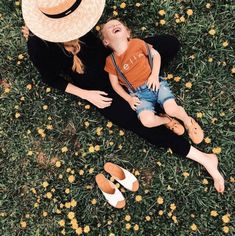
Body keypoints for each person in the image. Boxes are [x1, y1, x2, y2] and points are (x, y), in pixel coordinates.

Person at [21, 0, 224, 193]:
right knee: (138, 123)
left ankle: (154, 97)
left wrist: (140, 61)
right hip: (99, 88)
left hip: (117, 58)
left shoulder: (76, 9)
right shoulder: (38, 46)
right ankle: (202, 156)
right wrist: (87, 95)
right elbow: (51, 79)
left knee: (169, 44)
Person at [101, 19, 204, 144]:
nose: (115, 25)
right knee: (147, 121)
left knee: (171, 108)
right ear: (106, 41)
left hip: (155, 84)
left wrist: (154, 75)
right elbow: (115, 85)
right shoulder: (111, 61)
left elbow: (156, 55)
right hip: (138, 95)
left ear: (128, 33)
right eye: (110, 27)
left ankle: (188, 121)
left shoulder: (137, 43)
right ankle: (167, 120)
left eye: (118, 24)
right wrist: (129, 99)